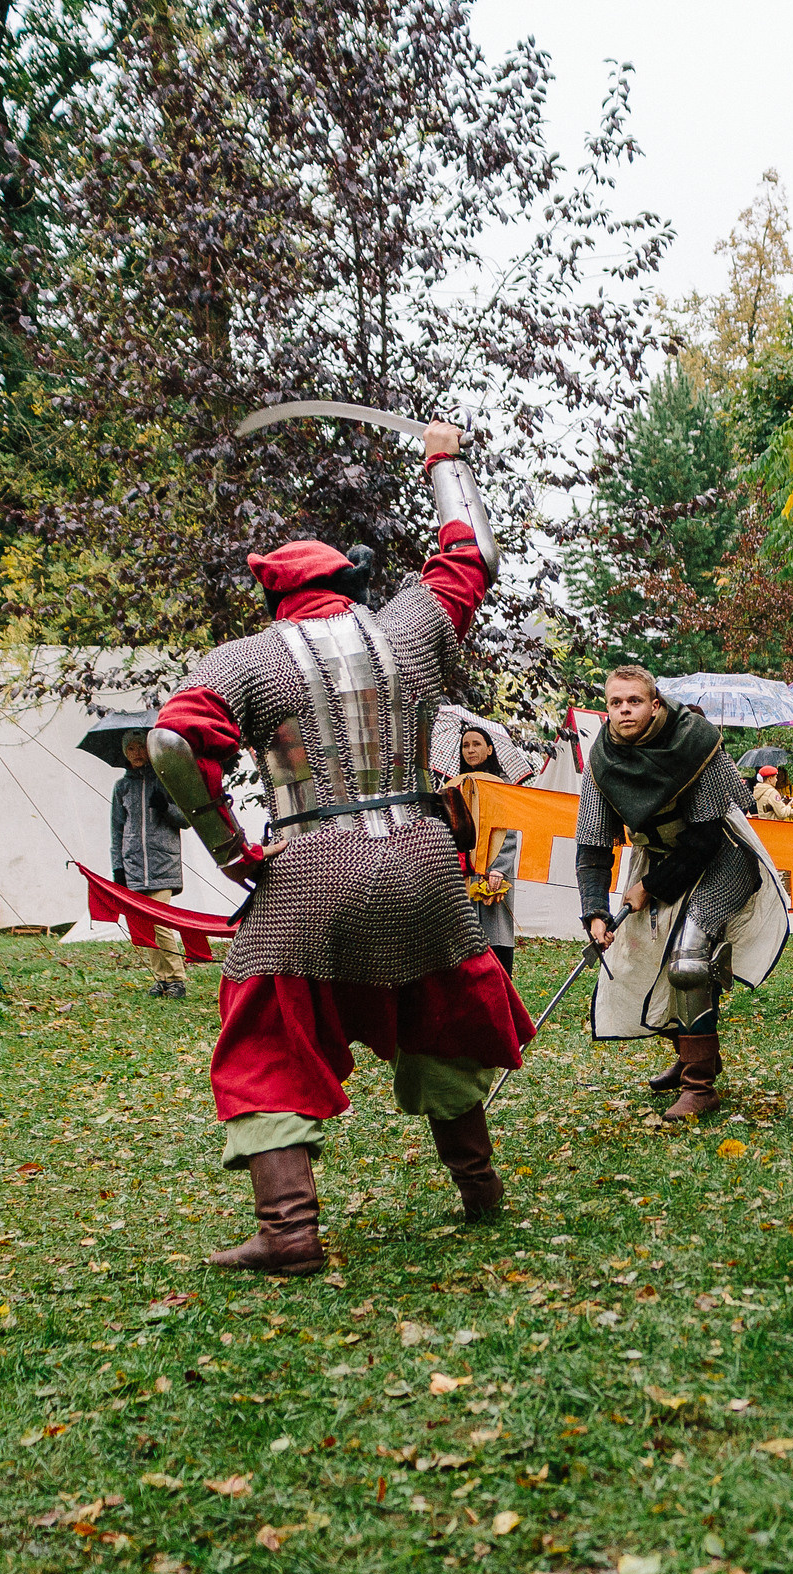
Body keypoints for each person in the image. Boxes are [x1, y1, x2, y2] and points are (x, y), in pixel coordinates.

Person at [147, 421, 535, 1276]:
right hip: (426, 858)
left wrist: (231, 851)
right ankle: (478, 1185)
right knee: (440, 1011)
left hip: (309, 867)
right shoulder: (407, 628)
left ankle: (290, 1231)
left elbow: (174, 746)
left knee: (266, 1032)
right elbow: (472, 553)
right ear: (347, 584)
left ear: (275, 598)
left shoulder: (246, 659)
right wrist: (443, 457)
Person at [577, 667, 789, 1120]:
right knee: (642, 960)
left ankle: (700, 1085)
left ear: (655, 704)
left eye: (634, 701)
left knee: (689, 959)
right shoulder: (601, 759)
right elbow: (592, 846)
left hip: (720, 857)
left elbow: (707, 838)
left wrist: (650, 888)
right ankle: (695, 1052)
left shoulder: (695, 743)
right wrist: (594, 911)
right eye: (615, 703)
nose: (624, 710)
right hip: (656, 858)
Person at [439, 715, 537, 978]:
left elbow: (509, 832)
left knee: (495, 935)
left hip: (494, 869)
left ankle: (501, 988)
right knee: (465, 937)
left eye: (476, 744)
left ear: (489, 749)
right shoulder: (454, 786)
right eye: (465, 745)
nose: (470, 750)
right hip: (463, 871)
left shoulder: (501, 786)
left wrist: (499, 870)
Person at [110, 729, 189, 998]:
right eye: (130, 748)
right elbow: (116, 829)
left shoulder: (165, 780)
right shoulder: (122, 787)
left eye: (141, 747)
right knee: (145, 925)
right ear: (125, 753)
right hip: (133, 866)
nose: (136, 753)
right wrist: (117, 867)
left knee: (160, 922)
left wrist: (166, 808)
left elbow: (186, 820)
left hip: (162, 863)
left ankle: (177, 978)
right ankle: (161, 979)